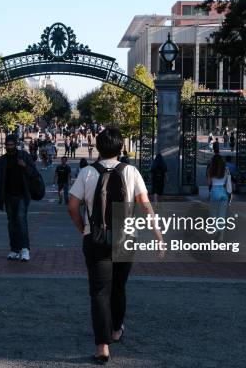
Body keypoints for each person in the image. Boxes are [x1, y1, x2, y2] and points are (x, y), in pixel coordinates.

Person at [67, 127, 163, 364]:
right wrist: (158, 235)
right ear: (121, 148)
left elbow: (72, 205)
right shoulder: (131, 171)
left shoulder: (87, 173)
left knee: (99, 291)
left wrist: (83, 228)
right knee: (119, 287)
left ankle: (102, 347)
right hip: (125, 238)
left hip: (95, 238)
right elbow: (145, 205)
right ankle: (116, 330)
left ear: (98, 147)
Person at [0, 134, 40, 262]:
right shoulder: (3, 160)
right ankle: (14, 249)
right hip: (8, 195)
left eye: (11, 145)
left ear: (15, 145)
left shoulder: (24, 156)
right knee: (11, 223)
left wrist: (25, 166)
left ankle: (25, 249)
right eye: (7, 145)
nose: (9, 147)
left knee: (21, 221)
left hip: (23, 195)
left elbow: (35, 173)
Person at [206, 154, 232, 242]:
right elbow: (227, 182)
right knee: (222, 215)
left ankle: (215, 232)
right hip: (223, 192)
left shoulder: (211, 169)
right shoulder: (226, 169)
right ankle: (221, 236)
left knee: (213, 214)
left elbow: (209, 183)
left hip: (214, 191)